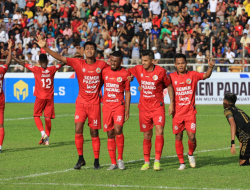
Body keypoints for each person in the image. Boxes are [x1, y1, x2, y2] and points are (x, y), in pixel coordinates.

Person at [129, 50, 174, 171]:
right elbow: (127, 73)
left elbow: (169, 85)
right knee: (147, 135)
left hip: (157, 106)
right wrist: (130, 77)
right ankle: (146, 162)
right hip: (144, 108)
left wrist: (171, 103)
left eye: (145, 61)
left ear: (152, 61)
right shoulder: (138, 69)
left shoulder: (160, 71)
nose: (143, 63)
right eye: (142, 60)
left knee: (159, 130)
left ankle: (157, 161)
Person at [169, 53, 215, 170]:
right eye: (178, 63)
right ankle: (182, 163)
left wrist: (210, 67)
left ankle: (190, 154)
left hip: (190, 112)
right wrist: (142, 88)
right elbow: (158, 85)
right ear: (175, 64)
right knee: (178, 137)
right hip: (177, 113)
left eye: (182, 63)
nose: (181, 65)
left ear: (186, 64)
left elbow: (206, 76)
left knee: (192, 137)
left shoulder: (193, 75)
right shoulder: (171, 77)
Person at [12, 52, 64, 146]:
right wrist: (72, 59)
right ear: (48, 61)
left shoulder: (36, 69)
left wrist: (12, 56)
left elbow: (22, 63)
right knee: (47, 118)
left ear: (39, 62)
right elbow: (62, 63)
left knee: (36, 116)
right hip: (50, 97)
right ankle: (47, 140)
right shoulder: (52, 69)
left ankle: (43, 133)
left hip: (40, 97)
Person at [102, 51, 131, 170]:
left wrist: (127, 110)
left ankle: (120, 159)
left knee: (118, 129)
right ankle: (113, 162)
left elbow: (128, 92)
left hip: (119, 106)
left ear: (121, 62)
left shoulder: (125, 73)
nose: (113, 63)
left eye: (115, 61)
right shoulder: (104, 71)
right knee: (110, 133)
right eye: (111, 60)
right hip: (107, 107)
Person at [223, 93, 250, 166]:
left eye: (223, 99)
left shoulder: (227, 110)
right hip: (246, 137)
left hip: (248, 137)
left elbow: (233, 124)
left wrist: (232, 143)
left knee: (242, 162)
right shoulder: (239, 110)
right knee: (241, 159)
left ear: (226, 102)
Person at [0, 40, 12, 153]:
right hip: (1, 100)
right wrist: (10, 48)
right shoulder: (2, 70)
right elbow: (8, 61)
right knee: (1, 125)